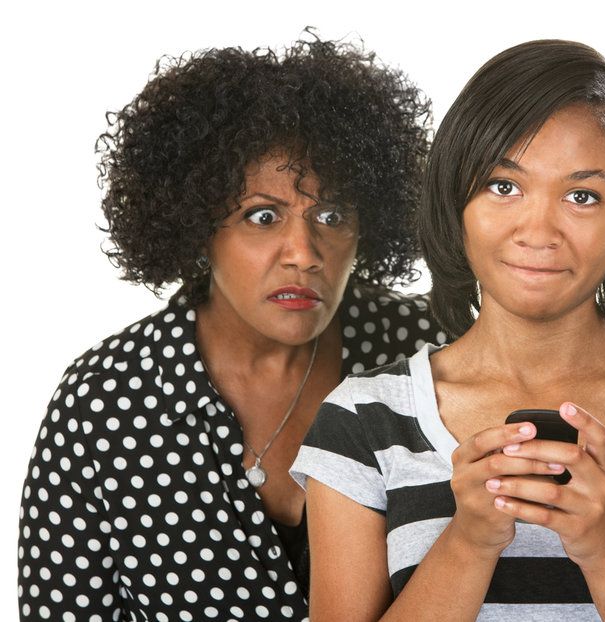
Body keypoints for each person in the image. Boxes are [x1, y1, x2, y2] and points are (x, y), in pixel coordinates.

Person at [291, 39, 605, 621]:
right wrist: (470, 540)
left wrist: (604, 547)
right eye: (504, 186)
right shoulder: (361, 419)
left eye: (581, 195)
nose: (538, 230)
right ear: (457, 191)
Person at [17, 36, 446, 621]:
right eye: (262, 216)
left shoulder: (426, 353)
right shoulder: (105, 405)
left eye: (331, 215)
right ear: (198, 228)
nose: (303, 252)